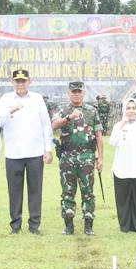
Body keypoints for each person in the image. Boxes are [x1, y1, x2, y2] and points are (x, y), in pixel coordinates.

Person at [0, 70, 53, 235]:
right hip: (13, 153)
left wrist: (48, 149)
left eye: (23, 81)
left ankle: (34, 226)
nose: (20, 84)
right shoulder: (6, 99)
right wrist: (10, 110)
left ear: (29, 82)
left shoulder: (37, 98)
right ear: (12, 82)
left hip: (34, 152)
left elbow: (46, 125)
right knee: (14, 191)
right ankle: (15, 226)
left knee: (35, 190)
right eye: (17, 81)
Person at [50, 81, 103, 235]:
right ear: (69, 93)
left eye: (79, 91)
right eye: (73, 92)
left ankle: (88, 225)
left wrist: (100, 158)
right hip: (67, 157)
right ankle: (69, 225)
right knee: (67, 192)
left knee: (88, 192)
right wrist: (69, 117)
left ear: (84, 93)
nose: (76, 94)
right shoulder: (62, 110)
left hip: (87, 156)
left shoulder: (92, 111)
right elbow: (53, 125)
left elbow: (99, 135)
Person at [109, 98, 136, 232]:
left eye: (134, 108)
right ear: (124, 110)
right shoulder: (118, 125)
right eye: (128, 108)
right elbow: (112, 142)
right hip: (122, 168)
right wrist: (122, 124)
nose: (131, 111)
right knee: (122, 199)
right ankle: (124, 226)